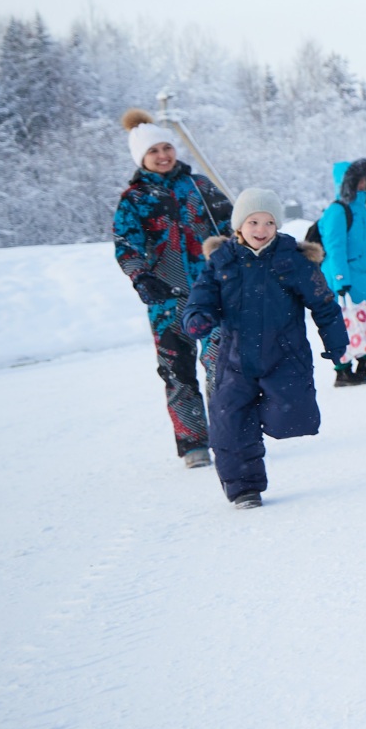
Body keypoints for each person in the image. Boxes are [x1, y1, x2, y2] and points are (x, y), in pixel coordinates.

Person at [182, 188, 347, 509]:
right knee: (228, 421)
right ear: (238, 226)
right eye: (253, 222)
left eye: (270, 223)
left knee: (292, 419)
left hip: (285, 357)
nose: (261, 230)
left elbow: (324, 303)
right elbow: (200, 297)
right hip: (235, 359)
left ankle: (256, 420)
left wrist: (336, 341)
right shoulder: (221, 261)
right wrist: (197, 317)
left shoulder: (292, 260)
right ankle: (244, 488)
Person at [111, 108, 232, 468]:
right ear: (142, 158)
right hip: (166, 298)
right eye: (154, 151)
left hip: (211, 292)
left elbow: (232, 224)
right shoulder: (134, 199)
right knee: (177, 371)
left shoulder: (199, 186)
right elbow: (126, 245)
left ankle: (228, 434)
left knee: (220, 364)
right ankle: (193, 441)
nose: (163, 156)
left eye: (166, 147)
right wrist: (141, 276)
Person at [319, 158, 366, 387]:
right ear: (346, 183)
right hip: (343, 274)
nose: (363, 185)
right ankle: (342, 370)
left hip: (362, 272)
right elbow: (335, 247)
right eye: (359, 180)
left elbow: (360, 241)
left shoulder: (358, 209)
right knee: (344, 323)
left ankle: (365, 360)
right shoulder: (336, 211)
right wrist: (340, 280)